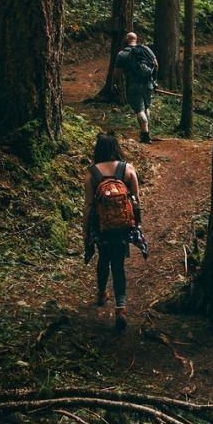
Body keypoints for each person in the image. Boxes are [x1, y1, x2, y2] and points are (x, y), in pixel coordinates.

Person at [83, 132, 142, 329]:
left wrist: (85, 231)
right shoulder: (128, 169)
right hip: (123, 227)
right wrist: (137, 225)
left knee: (103, 258)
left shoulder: (92, 173)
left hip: (102, 227)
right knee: (118, 264)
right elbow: (136, 201)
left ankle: (101, 293)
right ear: (116, 148)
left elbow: (89, 206)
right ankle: (121, 307)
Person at [114, 32, 158, 144]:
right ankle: (146, 131)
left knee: (139, 110)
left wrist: (116, 83)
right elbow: (156, 64)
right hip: (148, 83)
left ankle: (145, 136)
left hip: (133, 84)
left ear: (127, 39)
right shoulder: (146, 50)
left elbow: (117, 72)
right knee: (147, 107)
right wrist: (153, 78)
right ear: (135, 39)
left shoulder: (122, 54)